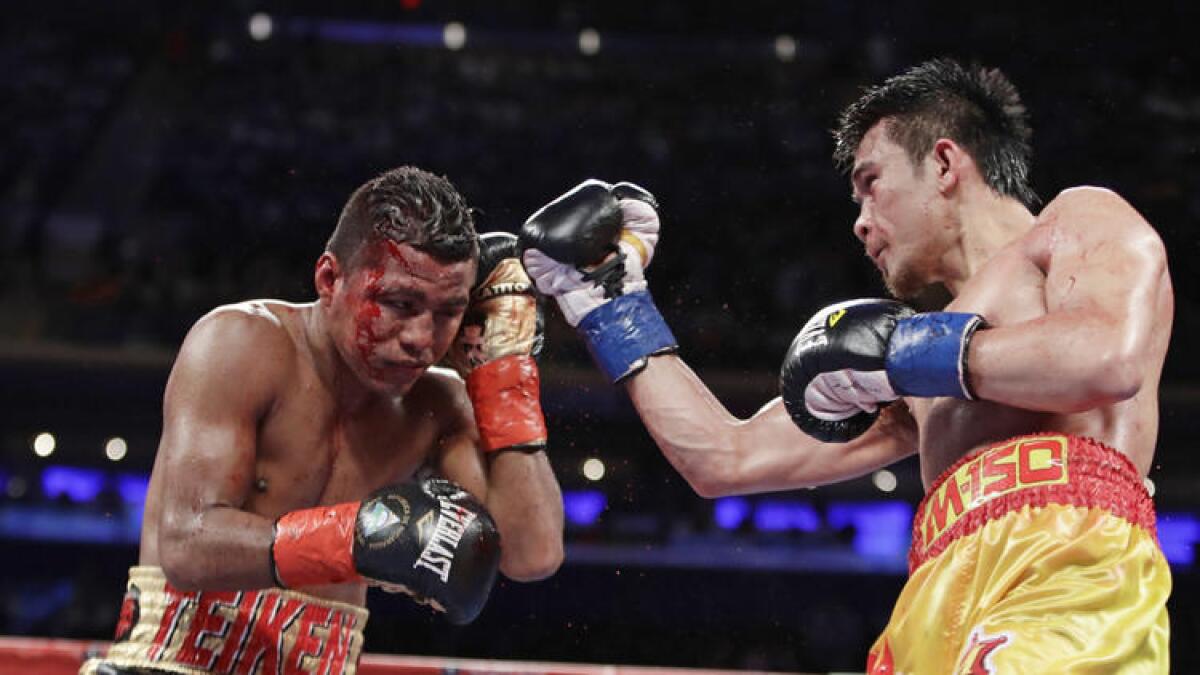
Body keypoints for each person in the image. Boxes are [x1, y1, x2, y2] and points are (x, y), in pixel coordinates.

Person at [519, 59, 1172, 672]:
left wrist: (902, 356)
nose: (861, 224)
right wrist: (612, 305)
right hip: (934, 596)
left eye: (871, 184)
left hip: (1066, 568)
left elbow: (1107, 356)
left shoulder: (1072, 223)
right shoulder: (916, 365)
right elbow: (724, 458)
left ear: (944, 162)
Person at [81, 166, 564, 675]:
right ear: (330, 279)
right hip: (169, 665)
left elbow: (532, 554)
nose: (422, 338)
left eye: (448, 311)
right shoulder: (242, 344)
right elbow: (185, 544)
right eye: (400, 304)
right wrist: (352, 537)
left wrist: (502, 379)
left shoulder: (438, 404)